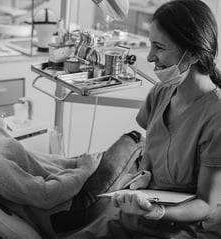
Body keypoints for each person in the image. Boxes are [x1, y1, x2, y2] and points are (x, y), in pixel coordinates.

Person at [67, 0, 221, 238]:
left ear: (192, 53)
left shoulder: (216, 115)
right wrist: (139, 178)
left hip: (182, 228)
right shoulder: (160, 94)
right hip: (136, 219)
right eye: (150, 45)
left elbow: (206, 204)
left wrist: (158, 212)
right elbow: (149, 156)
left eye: (159, 47)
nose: (150, 57)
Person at [0, 90, 144, 238]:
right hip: (67, 209)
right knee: (133, 141)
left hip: (66, 183)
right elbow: (45, 197)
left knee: (121, 158)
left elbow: (36, 159)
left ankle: (133, 181)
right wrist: (84, 170)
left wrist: (75, 163)